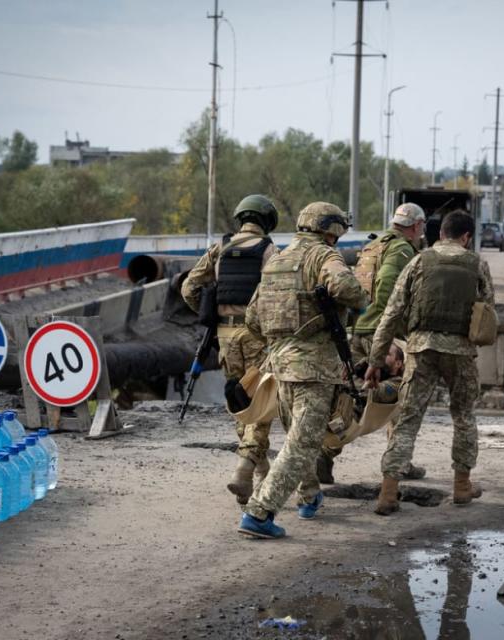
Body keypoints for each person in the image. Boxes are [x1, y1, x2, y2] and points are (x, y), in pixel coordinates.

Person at [237, 202, 367, 539]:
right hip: (314, 367)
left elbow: (252, 318)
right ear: (331, 229)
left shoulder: (277, 260)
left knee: (299, 437)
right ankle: (260, 512)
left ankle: (309, 496)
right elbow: (346, 288)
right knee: (302, 443)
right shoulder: (324, 256)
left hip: (280, 366)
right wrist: (360, 301)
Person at [365, 211, 495, 516]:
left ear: (441, 234)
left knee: (408, 419)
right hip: (460, 352)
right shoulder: (477, 263)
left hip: (420, 348)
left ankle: (388, 492)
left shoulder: (419, 261)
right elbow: (488, 309)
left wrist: (375, 359)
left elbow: (392, 313)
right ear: (467, 237)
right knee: (463, 416)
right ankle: (462, 486)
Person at [316, 203, 428, 484]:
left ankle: (326, 454)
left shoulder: (372, 247)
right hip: (383, 333)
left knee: (352, 398)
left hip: (359, 329)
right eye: (422, 227)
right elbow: (390, 290)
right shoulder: (402, 250)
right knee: (404, 396)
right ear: (415, 226)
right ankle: (399, 462)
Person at [181, 195, 279, 504]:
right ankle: (244, 469)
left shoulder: (219, 248)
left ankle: (259, 471)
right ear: (266, 220)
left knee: (239, 400)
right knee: (261, 404)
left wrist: (212, 311)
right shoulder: (268, 250)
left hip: (225, 336)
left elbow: (189, 288)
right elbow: (276, 293)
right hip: (256, 336)